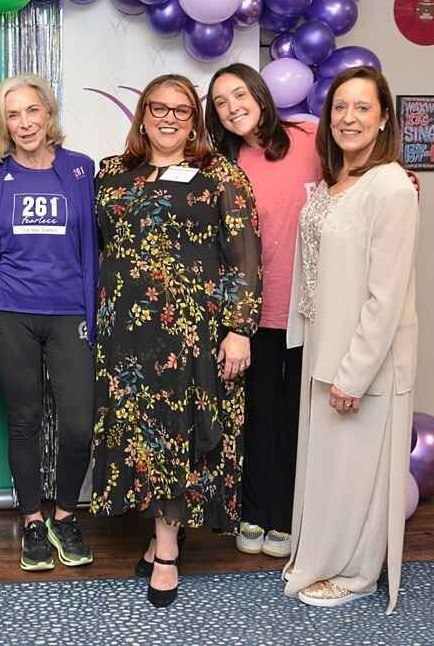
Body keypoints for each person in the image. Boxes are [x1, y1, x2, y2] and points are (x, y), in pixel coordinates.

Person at [90, 73, 262, 607]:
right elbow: (99, 246)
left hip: (192, 335)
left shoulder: (222, 175)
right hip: (125, 335)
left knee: (177, 439)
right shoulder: (112, 173)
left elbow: (246, 256)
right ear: (142, 114)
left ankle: (167, 550)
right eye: (158, 108)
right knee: (141, 441)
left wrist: (239, 328)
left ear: (195, 121)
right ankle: (158, 534)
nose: (168, 118)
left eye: (181, 111)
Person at [283, 66, 418, 612]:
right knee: (331, 467)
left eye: (363, 107)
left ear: (384, 116)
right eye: (340, 107)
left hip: (365, 358)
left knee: (358, 470)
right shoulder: (335, 182)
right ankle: (321, 554)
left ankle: (358, 573)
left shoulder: (390, 187)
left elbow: (386, 297)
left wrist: (354, 373)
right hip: (324, 346)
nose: (349, 118)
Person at [0, 74, 98, 571]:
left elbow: (93, 245)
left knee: (77, 425)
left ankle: (64, 514)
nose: (24, 122)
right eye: (13, 114)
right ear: (2, 123)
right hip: (13, 313)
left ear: (48, 114)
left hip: (70, 312)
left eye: (32, 111)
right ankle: (31, 520)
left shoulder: (81, 170)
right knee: (23, 420)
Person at [205, 63, 320, 559]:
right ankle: (252, 512)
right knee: (256, 418)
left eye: (237, 94)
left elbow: (362, 173)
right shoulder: (221, 164)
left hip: (312, 309)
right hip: (251, 314)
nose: (232, 107)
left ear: (259, 92)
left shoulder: (310, 136)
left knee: (299, 418)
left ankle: (285, 516)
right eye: (220, 103)